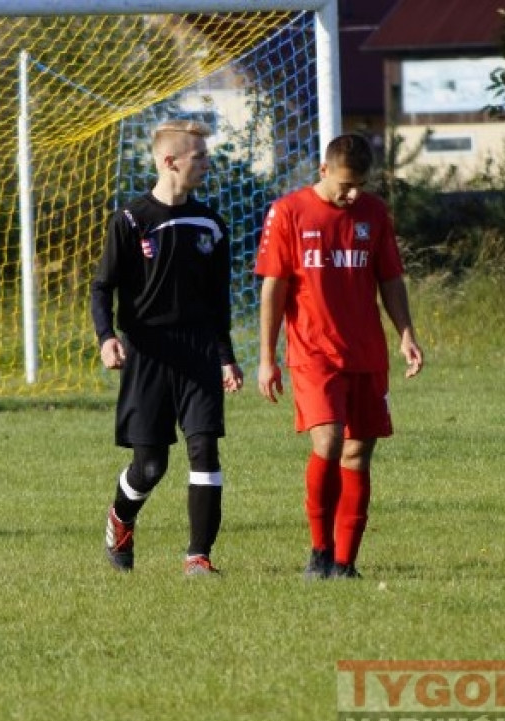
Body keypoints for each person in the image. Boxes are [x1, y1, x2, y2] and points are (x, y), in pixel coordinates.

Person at [254, 132, 424, 580]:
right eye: (345, 185)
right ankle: (319, 551)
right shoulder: (288, 212)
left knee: (357, 453)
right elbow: (274, 287)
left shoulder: (374, 214)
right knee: (327, 441)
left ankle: (346, 563)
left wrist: (406, 334)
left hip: (366, 353)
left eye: (360, 186)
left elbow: (390, 280)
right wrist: (267, 358)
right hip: (313, 353)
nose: (352, 195)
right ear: (323, 171)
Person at [91, 119, 244, 576]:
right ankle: (121, 519)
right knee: (151, 465)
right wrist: (107, 338)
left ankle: (198, 556)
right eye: (199, 156)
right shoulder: (131, 220)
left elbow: (218, 302)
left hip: (197, 351)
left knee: (205, 449)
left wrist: (226, 357)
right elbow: (102, 288)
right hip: (148, 353)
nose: (207, 163)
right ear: (169, 161)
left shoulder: (211, 224)